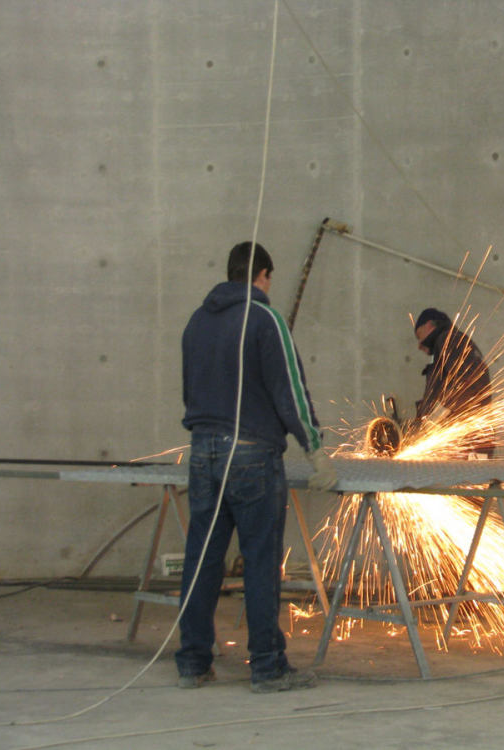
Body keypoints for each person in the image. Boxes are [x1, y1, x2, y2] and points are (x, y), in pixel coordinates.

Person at [176, 241, 336, 693]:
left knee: (203, 558)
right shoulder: (265, 319)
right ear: (263, 275)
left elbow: (191, 389)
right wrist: (315, 449)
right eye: (269, 279)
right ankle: (266, 666)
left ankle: (192, 662)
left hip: (203, 451)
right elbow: (290, 390)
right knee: (261, 560)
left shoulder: (197, 321)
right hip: (251, 456)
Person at [410, 308, 494, 457]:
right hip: (469, 437)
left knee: (467, 479)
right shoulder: (450, 343)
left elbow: (467, 383)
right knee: (468, 479)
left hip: (466, 439)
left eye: (419, 335)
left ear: (429, 325)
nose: (419, 344)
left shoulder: (449, 340)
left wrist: (435, 417)